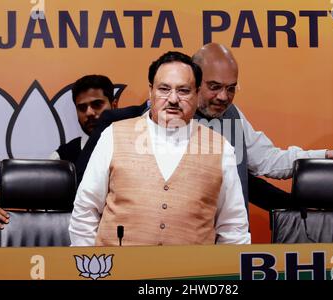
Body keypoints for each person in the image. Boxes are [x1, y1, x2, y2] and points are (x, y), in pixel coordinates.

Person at [69, 51, 250, 246]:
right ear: (151, 91)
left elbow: (233, 228)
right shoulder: (113, 136)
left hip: (192, 274)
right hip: (120, 273)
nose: (173, 99)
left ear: (197, 94)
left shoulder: (221, 149)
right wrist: (90, 270)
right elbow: (85, 211)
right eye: (164, 89)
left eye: (183, 90)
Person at [191, 43, 333, 210]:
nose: (223, 96)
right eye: (214, 87)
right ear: (194, 80)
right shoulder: (169, 121)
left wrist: (325, 156)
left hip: (231, 237)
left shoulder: (232, 114)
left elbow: (268, 160)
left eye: (231, 88)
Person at [50, 75, 124, 164]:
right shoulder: (62, 158)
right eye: (82, 107)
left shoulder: (135, 147)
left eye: (97, 104)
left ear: (114, 106)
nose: (89, 113)